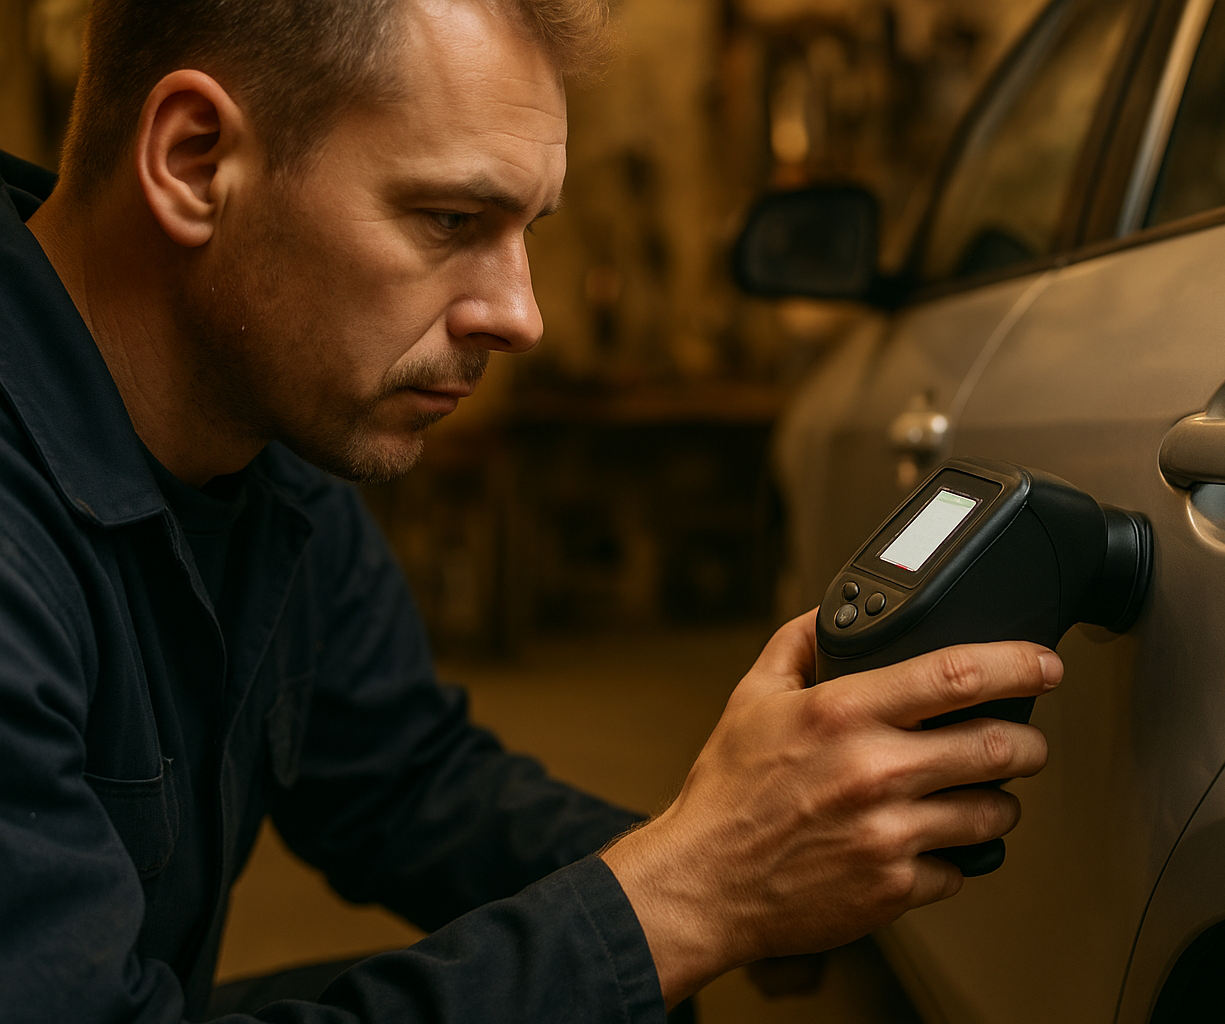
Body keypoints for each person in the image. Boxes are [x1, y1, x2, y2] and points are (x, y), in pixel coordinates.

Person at [0, 0, 1063, 1021]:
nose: (522, 316)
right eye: (450, 220)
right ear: (195, 162)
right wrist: (695, 893)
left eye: (524, 231)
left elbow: (404, 779)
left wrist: (742, 850)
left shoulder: (265, 440)